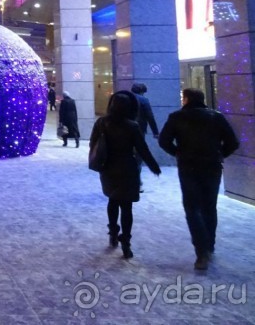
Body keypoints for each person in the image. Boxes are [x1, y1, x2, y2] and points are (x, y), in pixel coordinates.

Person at [159, 88, 240, 270]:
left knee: (192, 208)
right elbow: (233, 143)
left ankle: (201, 251)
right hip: (212, 166)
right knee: (209, 206)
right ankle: (209, 245)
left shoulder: (176, 117)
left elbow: (164, 141)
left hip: (188, 166)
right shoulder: (216, 116)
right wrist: (219, 155)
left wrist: (177, 153)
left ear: (187, 99)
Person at [90, 90, 161, 259]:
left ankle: (113, 232)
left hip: (108, 167)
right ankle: (126, 242)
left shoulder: (101, 122)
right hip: (127, 167)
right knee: (127, 207)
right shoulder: (132, 126)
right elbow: (142, 149)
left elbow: (93, 143)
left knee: (113, 200)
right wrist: (153, 166)